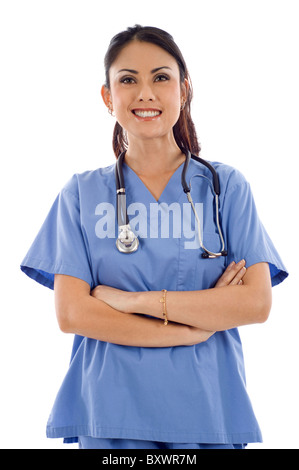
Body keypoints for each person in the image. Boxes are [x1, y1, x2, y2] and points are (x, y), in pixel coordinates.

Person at [21, 25, 288, 450]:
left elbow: (255, 304)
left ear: (184, 90)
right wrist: (190, 329)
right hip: (109, 413)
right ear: (109, 98)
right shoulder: (81, 193)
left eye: (160, 77)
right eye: (128, 79)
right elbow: (72, 314)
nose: (145, 92)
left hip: (208, 410)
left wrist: (134, 301)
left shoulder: (225, 188)